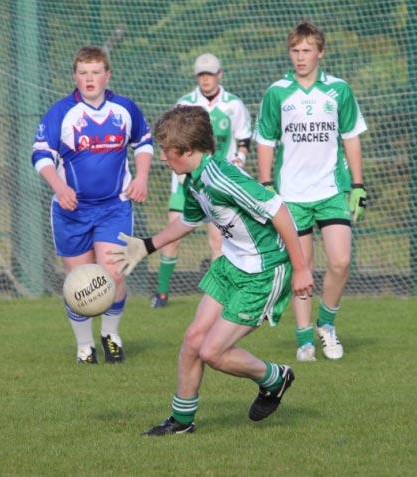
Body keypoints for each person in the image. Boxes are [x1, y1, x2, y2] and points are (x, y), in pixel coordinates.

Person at [108, 105, 314, 435]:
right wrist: (146, 245)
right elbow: (188, 222)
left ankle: (275, 378)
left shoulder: (221, 177)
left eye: (167, 150)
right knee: (192, 340)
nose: (163, 158)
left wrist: (301, 268)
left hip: (263, 273)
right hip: (230, 265)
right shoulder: (194, 180)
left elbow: (279, 210)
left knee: (212, 352)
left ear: (188, 150)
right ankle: (181, 422)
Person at [31, 46, 153, 364]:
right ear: (75, 76)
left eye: (95, 72)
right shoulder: (61, 113)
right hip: (71, 210)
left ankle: (110, 334)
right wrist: (59, 187)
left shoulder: (124, 109)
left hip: (114, 207)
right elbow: (41, 155)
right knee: (79, 281)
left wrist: (140, 178)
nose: (89, 78)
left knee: (114, 275)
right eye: (83, 72)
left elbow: (144, 142)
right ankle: (84, 346)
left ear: (107, 75)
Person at [255, 22, 367, 362]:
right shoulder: (277, 92)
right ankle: (304, 340)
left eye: (307, 50)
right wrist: (265, 186)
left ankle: (326, 325)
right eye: (295, 50)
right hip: (292, 195)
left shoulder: (339, 91)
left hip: (332, 190)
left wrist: (358, 186)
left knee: (341, 261)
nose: (300, 57)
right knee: (301, 267)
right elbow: (264, 140)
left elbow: (351, 137)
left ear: (321, 52)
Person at [151, 53, 252, 308]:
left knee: (218, 241)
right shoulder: (185, 104)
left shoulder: (234, 105)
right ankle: (162, 293)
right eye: (201, 75)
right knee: (172, 235)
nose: (205, 79)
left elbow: (244, 138)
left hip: (217, 185)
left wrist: (240, 158)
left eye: (210, 74)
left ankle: (222, 294)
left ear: (219, 75)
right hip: (185, 185)